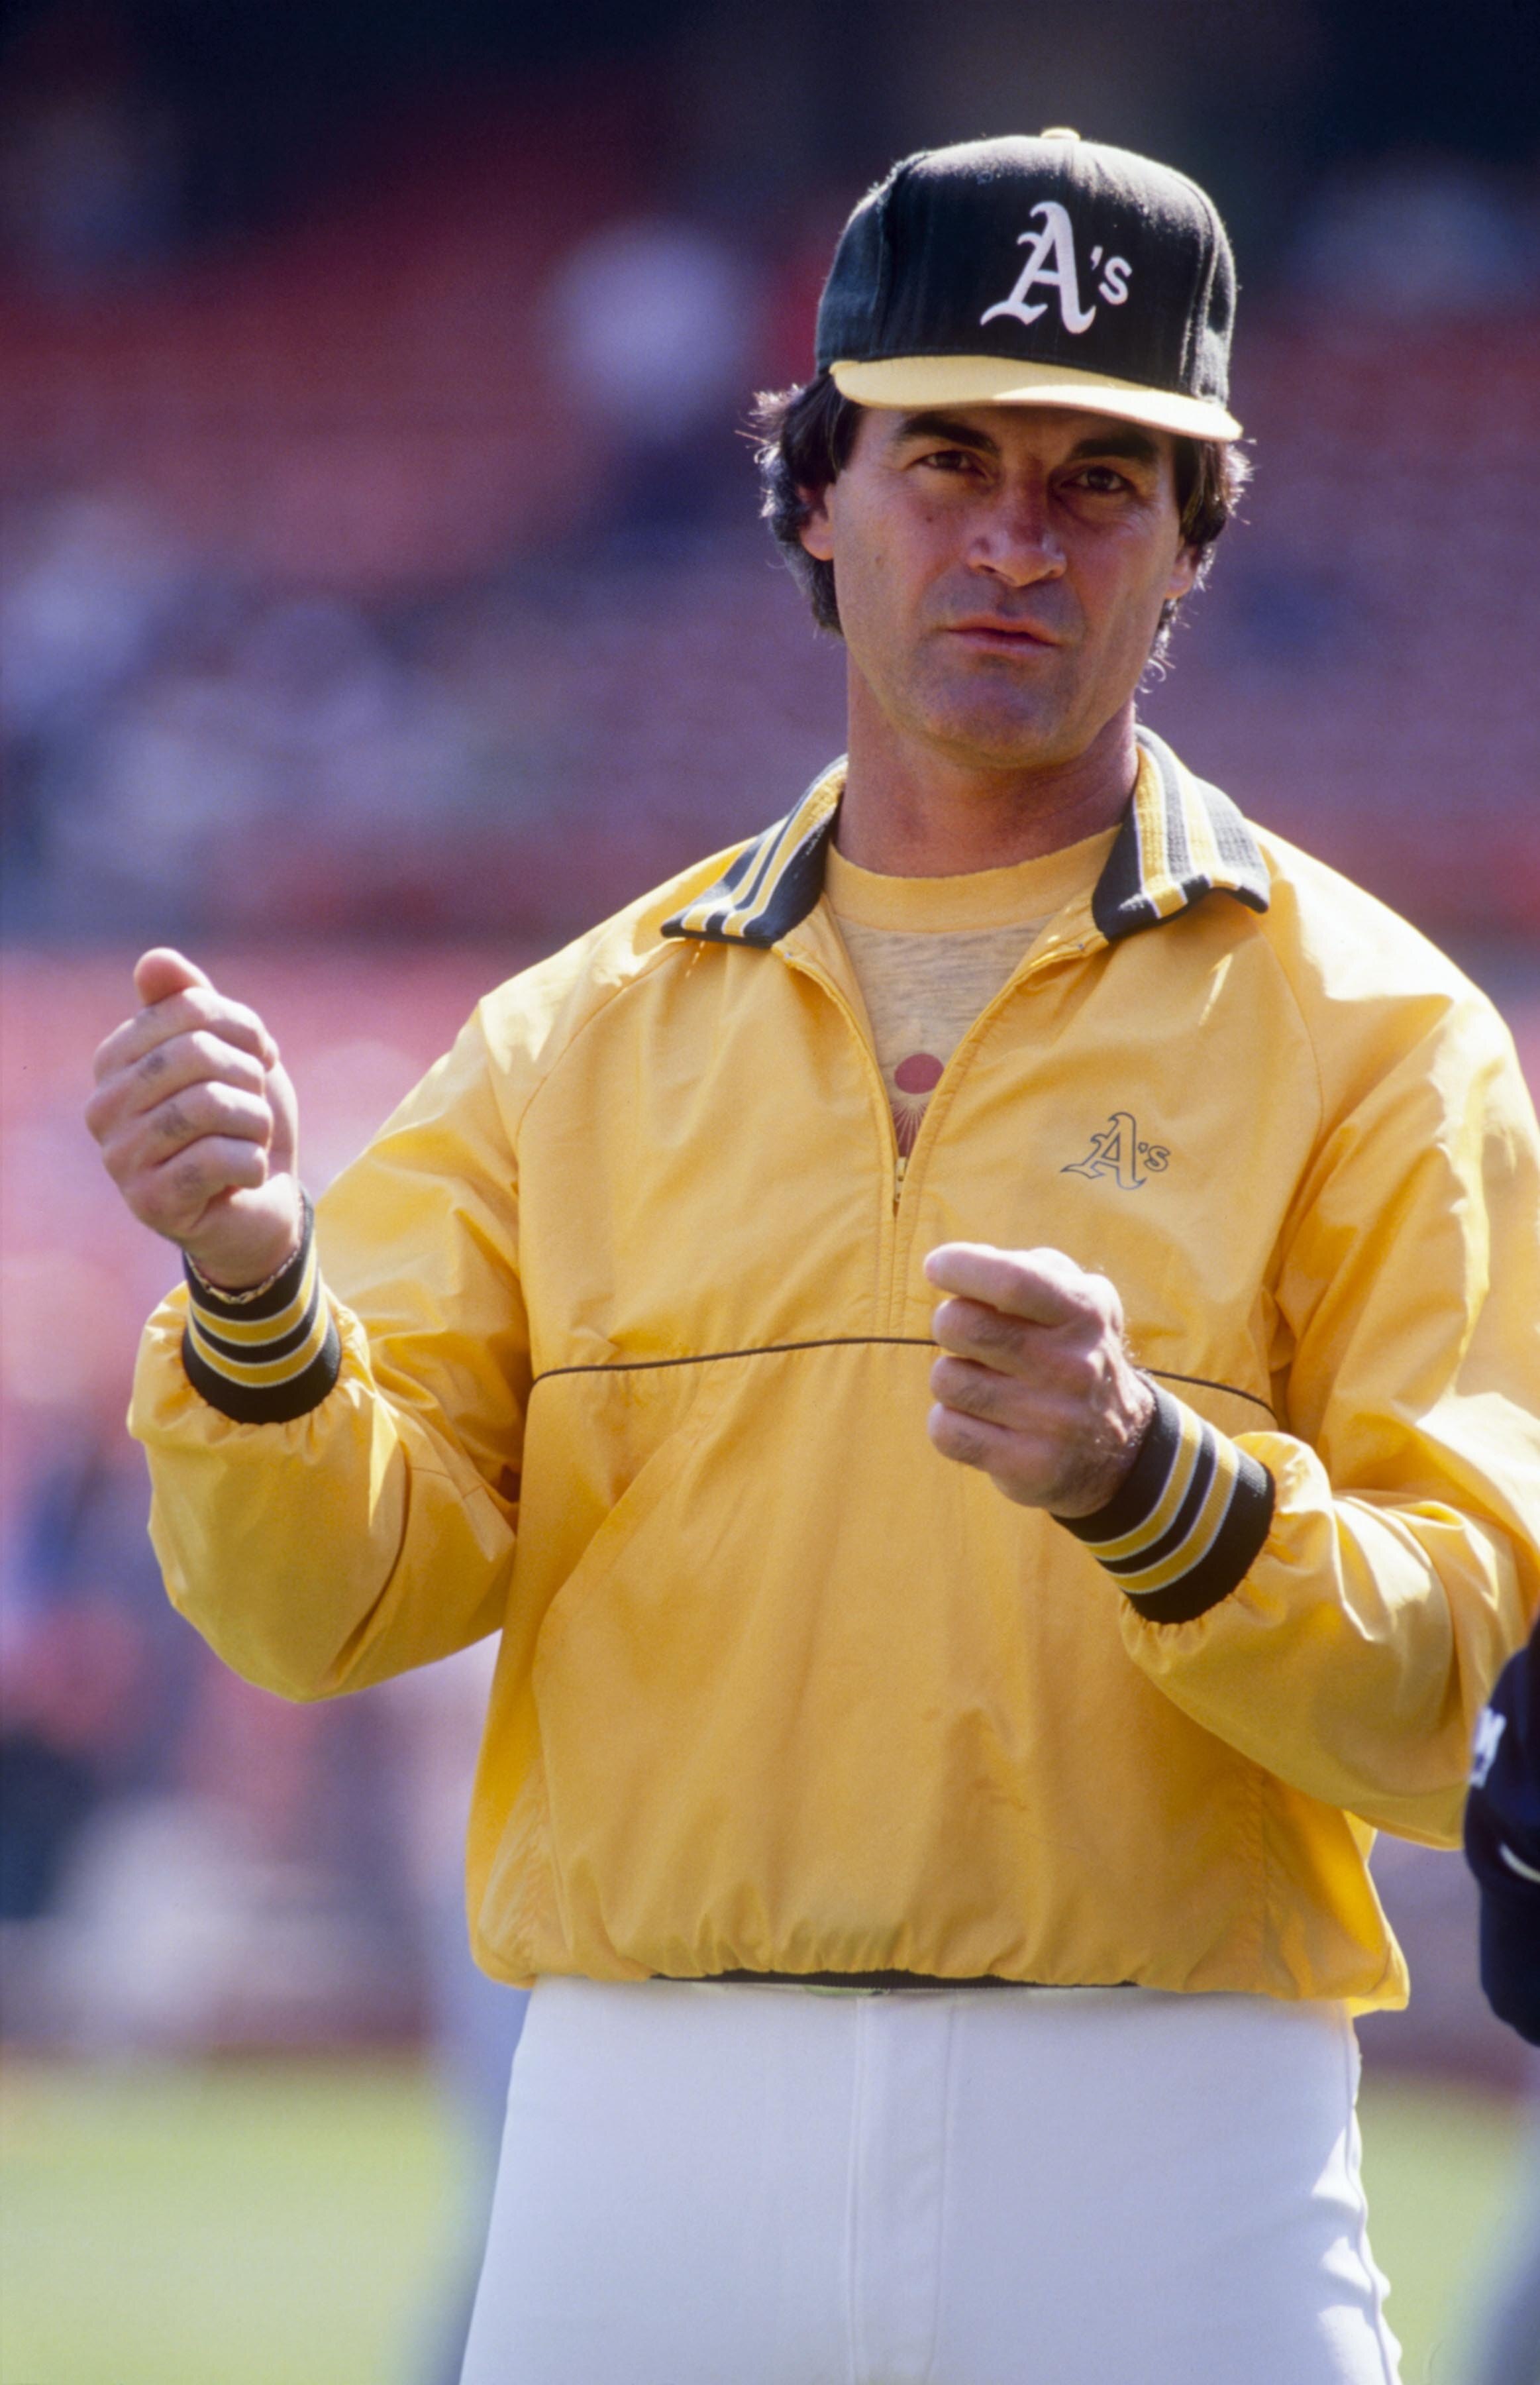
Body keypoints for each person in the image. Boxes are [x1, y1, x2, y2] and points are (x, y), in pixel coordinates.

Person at [87, 132, 1540, 2385]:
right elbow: (317, 1607)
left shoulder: (1386, 1038)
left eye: (1099, 481)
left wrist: (1159, 1492)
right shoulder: (567, 1036)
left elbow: (1455, 1695)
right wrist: (260, 1303)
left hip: (1172, 2150)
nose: (1011, 537)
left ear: (1191, 548)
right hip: (634, 2141)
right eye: (946, 454)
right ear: (812, 495)